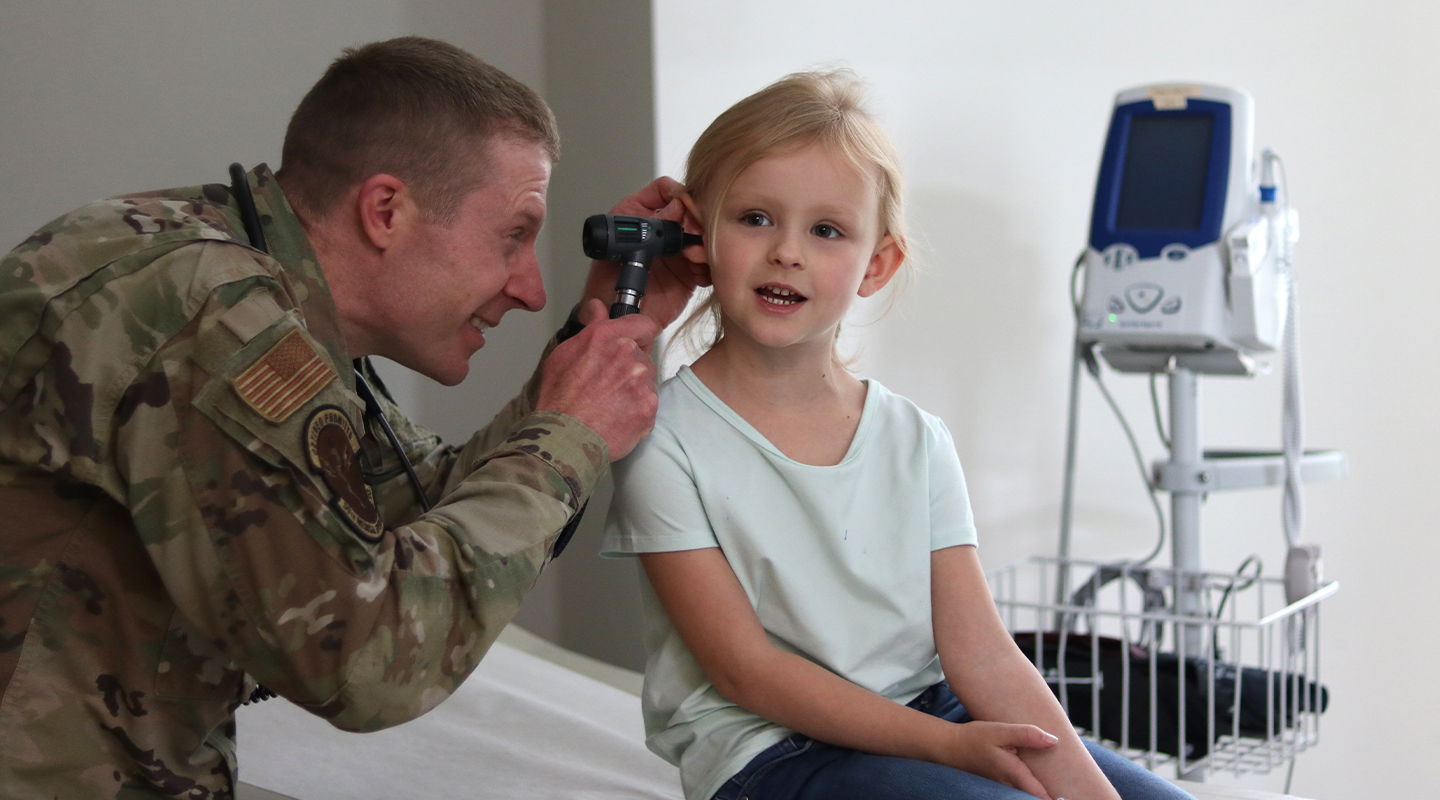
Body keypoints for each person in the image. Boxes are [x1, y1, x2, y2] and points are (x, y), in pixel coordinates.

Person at [0, 37, 703, 798]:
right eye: (513, 234)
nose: (530, 290)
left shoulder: (240, 273)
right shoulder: (209, 318)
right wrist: (568, 437)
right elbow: (364, 664)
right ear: (385, 211)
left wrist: (588, 347)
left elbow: (413, 502)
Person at [602, 71, 1195, 800]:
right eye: (755, 218)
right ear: (697, 237)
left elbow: (983, 655)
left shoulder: (916, 439)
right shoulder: (663, 437)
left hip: (928, 709)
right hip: (771, 752)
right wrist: (951, 748)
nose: (787, 251)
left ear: (876, 263)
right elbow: (745, 671)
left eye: (826, 230)